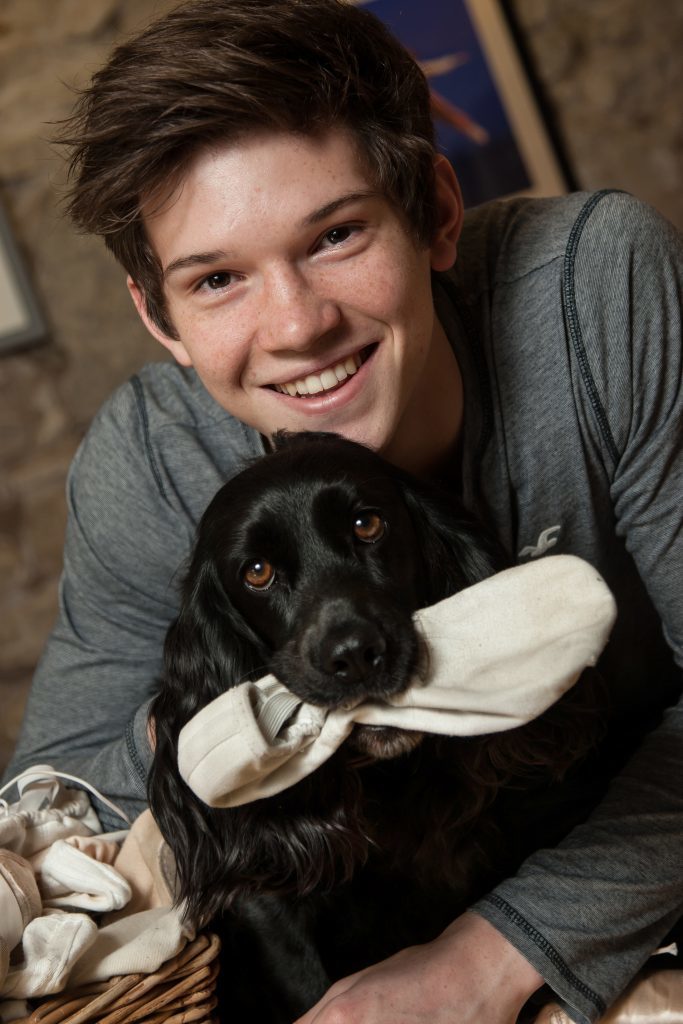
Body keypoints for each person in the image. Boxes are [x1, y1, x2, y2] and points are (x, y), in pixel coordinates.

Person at [4, 1, 682, 1022]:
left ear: (436, 214)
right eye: (217, 278)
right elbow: (55, 808)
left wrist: (485, 959)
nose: (296, 326)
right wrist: (214, 714)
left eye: (334, 235)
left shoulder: (590, 290)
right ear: (161, 317)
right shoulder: (153, 458)